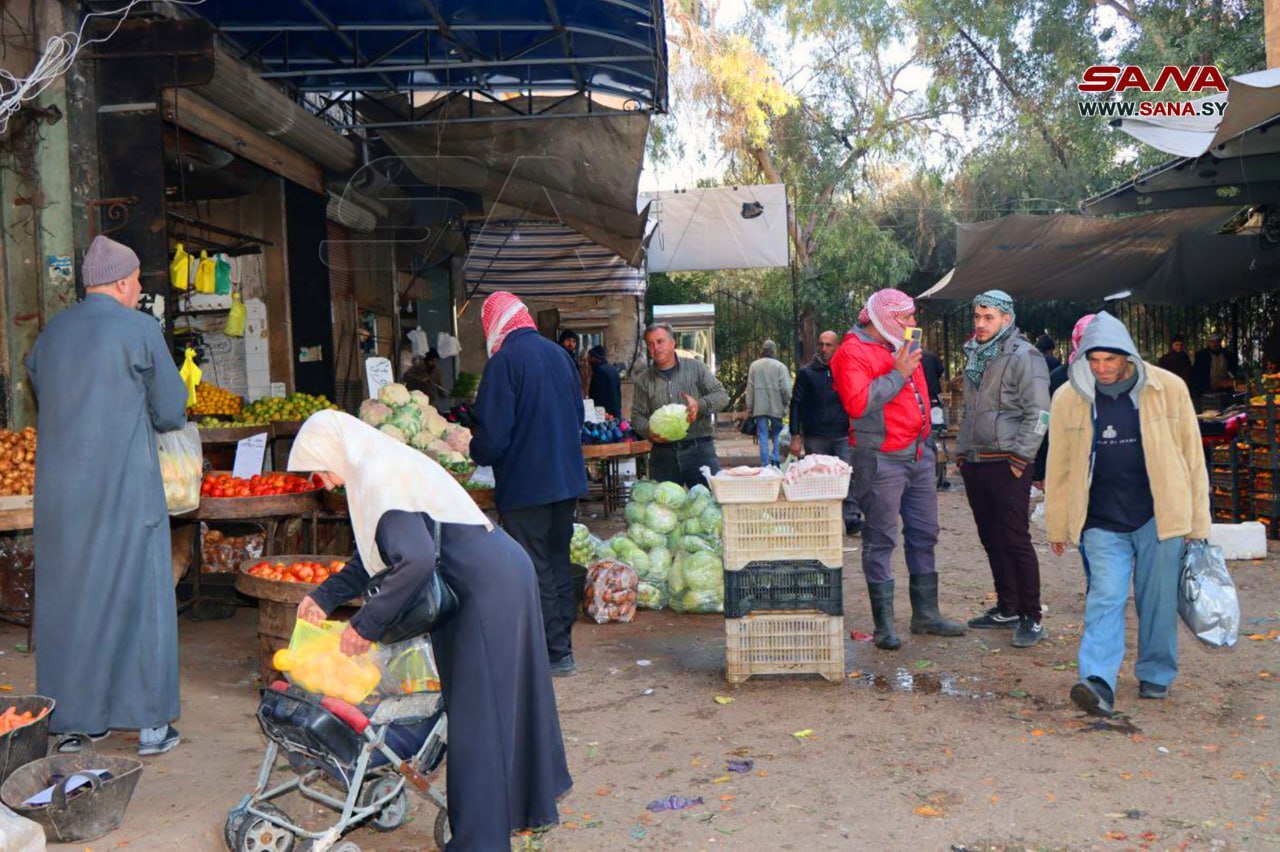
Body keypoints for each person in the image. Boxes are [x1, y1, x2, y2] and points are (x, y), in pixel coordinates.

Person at [288, 411, 572, 849]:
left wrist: (365, 625)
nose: (322, 482)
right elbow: (375, 557)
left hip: (485, 591)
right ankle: (496, 823)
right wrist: (324, 596)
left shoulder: (377, 474)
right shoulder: (376, 467)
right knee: (487, 714)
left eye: (318, 469)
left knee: (480, 721)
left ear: (334, 450)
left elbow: (416, 560)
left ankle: (480, 842)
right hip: (487, 581)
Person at [26, 234, 187, 755]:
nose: (139, 287)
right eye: (137, 279)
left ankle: (75, 724)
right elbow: (170, 412)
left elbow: (41, 386)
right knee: (141, 597)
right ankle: (150, 727)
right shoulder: (140, 329)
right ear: (121, 282)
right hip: (124, 489)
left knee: (71, 602)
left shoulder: (52, 334)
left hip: (60, 499)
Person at [1045, 311, 1209, 717]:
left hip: (1160, 515)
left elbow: (1192, 456)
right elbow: (1060, 466)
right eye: (1094, 360)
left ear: (1128, 357)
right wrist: (1059, 523)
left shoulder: (1168, 388)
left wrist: (1198, 523)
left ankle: (1155, 673)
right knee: (1105, 597)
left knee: (1157, 600)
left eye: (1109, 360)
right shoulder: (1069, 397)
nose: (1101, 369)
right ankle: (1097, 680)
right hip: (1101, 519)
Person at [830, 289, 965, 650]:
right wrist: (898, 373)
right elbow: (857, 405)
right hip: (881, 458)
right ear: (885, 319)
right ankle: (884, 626)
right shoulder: (851, 352)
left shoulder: (898, 345)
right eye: (906, 318)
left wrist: (926, 440)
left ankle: (926, 615)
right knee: (881, 539)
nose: (912, 324)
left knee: (924, 532)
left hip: (917, 454)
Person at [471, 292, 587, 677]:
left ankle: (552, 654)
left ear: (496, 323)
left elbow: (493, 438)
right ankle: (562, 649)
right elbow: (576, 418)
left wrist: (472, 448)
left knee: (533, 568)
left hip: (526, 486)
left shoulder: (504, 362)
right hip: (565, 481)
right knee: (556, 561)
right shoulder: (560, 356)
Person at [955, 291, 1051, 647]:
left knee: (1015, 538)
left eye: (988, 317)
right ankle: (1007, 606)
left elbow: (1040, 412)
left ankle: (1031, 615)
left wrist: (1021, 458)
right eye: (977, 316)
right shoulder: (976, 355)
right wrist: (963, 454)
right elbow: (970, 411)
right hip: (977, 461)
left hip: (1008, 462)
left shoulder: (1025, 356)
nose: (980, 324)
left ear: (1006, 319)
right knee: (991, 538)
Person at [789, 330, 862, 534]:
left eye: (829, 345)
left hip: (842, 434)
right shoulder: (806, 373)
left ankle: (851, 517)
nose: (824, 349)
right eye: (821, 344)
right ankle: (821, 519)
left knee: (847, 475)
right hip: (815, 436)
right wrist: (796, 434)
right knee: (818, 479)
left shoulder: (846, 370)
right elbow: (796, 404)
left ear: (837, 347)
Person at [1034, 314, 1095, 486]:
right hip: (1068, 462)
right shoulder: (1058, 379)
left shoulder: (1117, 378)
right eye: (1085, 339)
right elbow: (1044, 422)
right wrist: (1040, 471)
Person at [745, 339, 792, 467]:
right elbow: (786, 389)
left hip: (759, 406)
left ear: (762, 350)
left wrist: (749, 407)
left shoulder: (754, 366)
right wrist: (786, 402)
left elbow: (750, 388)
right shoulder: (780, 366)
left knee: (763, 435)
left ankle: (765, 463)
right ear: (774, 351)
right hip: (776, 406)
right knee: (777, 433)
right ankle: (776, 458)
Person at [587, 344, 622, 419]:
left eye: (590, 357)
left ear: (595, 358)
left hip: (606, 414)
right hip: (615, 412)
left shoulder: (599, 372)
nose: (589, 360)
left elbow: (597, 396)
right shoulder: (613, 370)